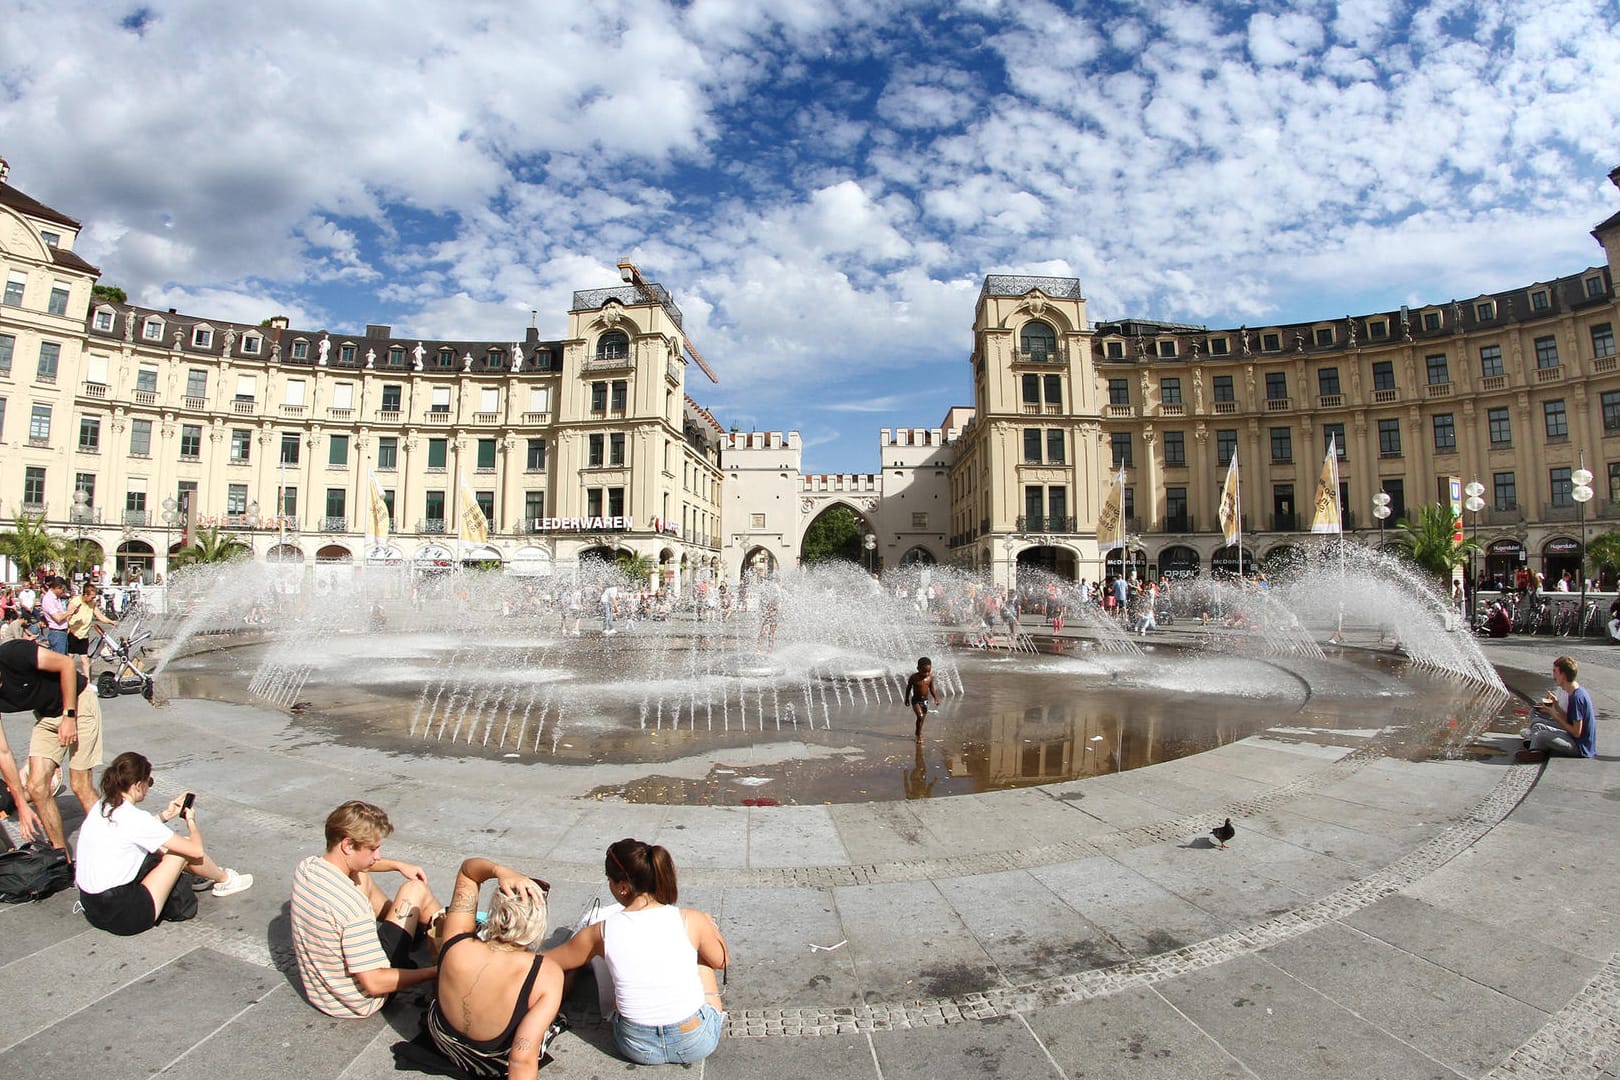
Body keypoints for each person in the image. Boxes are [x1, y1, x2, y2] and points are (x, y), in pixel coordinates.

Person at [546, 839, 728, 1066]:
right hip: (695, 1042)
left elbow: (548, 961)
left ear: (622, 886)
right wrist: (709, 926)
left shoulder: (600, 931)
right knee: (702, 957)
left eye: (610, 881)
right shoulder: (691, 919)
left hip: (636, 1046)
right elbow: (722, 961)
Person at [290, 800, 443, 1018]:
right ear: (348, 845)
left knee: (360, 875)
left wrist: (397, 865)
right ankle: (450, 947)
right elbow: (374, 983)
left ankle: (412, 928)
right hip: (361, 1000)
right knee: (415, 889)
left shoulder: (307, 869)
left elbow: (361, 865)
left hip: (324, 993)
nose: (378, 856)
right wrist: (432, 972)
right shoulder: (352, 907)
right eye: (372, 849)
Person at [74, 751, 253, 935]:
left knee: (162, 846)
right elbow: (196, 850)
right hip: (125, 914)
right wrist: (190, 820)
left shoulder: (103, 806)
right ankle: (225, 880)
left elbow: (134, 831)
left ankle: (206, 875)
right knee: (181, 849)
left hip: (92, 907)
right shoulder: (135, 818)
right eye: (148, 783)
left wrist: (165, 815)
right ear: (137, 785)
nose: (148, 787)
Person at [425, 856, 565, 1079]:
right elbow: (521, 1059)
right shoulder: (545, 973)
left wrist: (500, 871)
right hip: (494, 1060)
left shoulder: (456, 939)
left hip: (443, 1040)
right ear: (538, 922)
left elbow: (468, 871)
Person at [0, 634, 103, 852]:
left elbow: (66, 664)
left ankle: (114, 844)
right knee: (37, 788)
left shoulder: (14, 653)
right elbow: (3, 751)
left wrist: (69, 716)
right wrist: (20, 803)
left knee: (80, 784)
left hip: (78, 701)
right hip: (47, 715)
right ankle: (60, 856)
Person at [1519, 655, 1596, 762]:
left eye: (1555, 671)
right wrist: (1556, 706)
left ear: (1563, 675)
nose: (1553, 676)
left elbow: (1576, 732)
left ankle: (1534, 751)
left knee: (1542, 735)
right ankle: (1536, 750)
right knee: (1539, 726)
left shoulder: (1576, 697)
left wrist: (1554, 715)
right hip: (1573, 738)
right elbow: (1569, 719)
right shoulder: (1575, 692)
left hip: (1580, 747)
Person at [67, 582, 118, 680]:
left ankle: (87, 682)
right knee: (69, 658)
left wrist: (111, 622)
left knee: (85, 660)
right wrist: (66, 629)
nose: (93, 599)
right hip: (73, 633)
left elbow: (99, 616)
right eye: (92, 597)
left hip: (84, 635)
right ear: (85, 594)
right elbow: (67, 617)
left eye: (94, 597)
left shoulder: (92, 604)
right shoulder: (75, 602)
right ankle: (68, 678)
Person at [905, 657, 940, 741]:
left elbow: (932, 689)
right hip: (916, 701)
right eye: (924, 671)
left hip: (925, 701)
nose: (927, 673)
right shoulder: (914, 677)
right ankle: (919, 735)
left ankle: (918, 732)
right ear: (918, 668)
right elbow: (908, 688)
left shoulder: (930, 678)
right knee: (920, 716)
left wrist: (936, 698)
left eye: (929, 671)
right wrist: (906, 698)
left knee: (921, 719)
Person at [39, 576, 71, 654]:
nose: (62, 592)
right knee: (59, 661)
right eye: (62, 590)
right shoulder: (49, 599)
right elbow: (58, 618)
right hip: (57, 633)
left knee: (63, 660)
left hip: (62, 632)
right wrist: (69, 612)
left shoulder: (56, 598)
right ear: (57, 588)